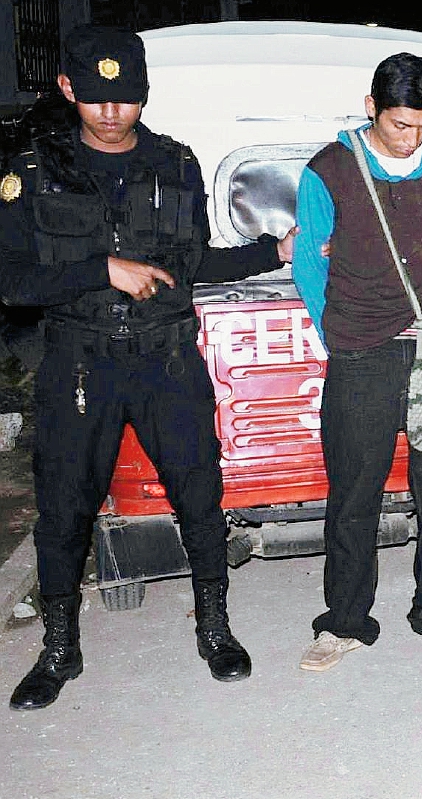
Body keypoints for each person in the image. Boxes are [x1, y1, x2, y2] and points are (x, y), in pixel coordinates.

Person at [0, 25, 295, 710]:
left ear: (143, 94)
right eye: (97, 99)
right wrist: (98, 269)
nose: (112, 114)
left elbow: (189, 267)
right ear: (69, 89)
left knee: (200, 492)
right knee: (64, 509)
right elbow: (13, 280)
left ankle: (215, 628)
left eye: (126, 99)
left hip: (166, 359)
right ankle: (59, 647)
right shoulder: (35, 170)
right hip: (81, 362)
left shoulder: (175, 163)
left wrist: (271, 251)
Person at [292, 52, 422, 672]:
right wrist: (342, 337)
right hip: (360, 352)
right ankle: (345, 621)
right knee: (355, 491)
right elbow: (308, 267)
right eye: (401, 126)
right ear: (372, 108)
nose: (413, 141)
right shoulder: (329, 170)